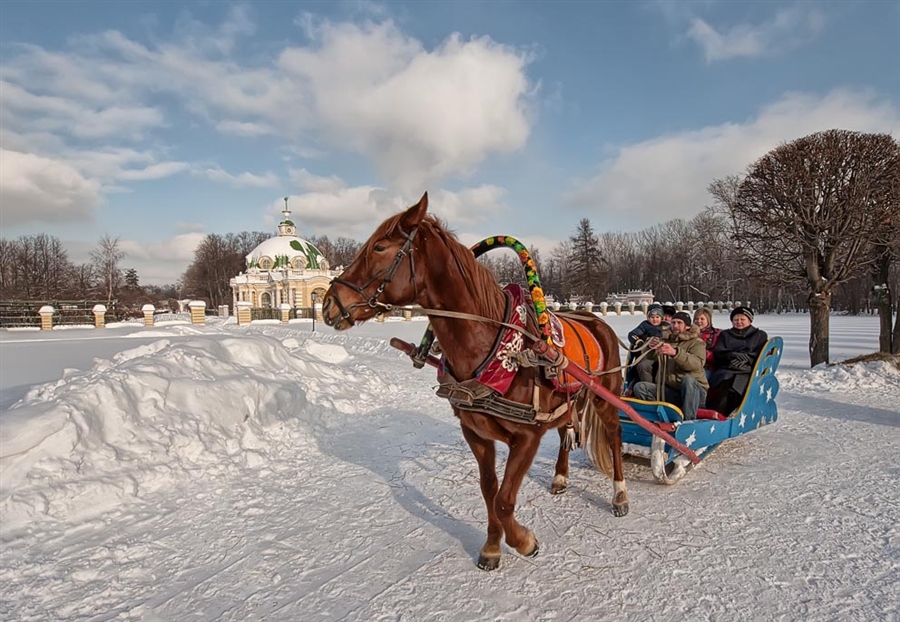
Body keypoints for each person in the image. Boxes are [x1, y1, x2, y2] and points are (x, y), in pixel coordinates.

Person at [630, 311, 709, 420]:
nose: (675, 326)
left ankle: (688, 421)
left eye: (679, 323)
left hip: (694, 392)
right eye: (673, 322)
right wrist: (650, 347)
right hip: (671, 391)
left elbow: (697, 364)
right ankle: (657, 418)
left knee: (688, 380)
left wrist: (676, 353)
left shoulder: (697, 342)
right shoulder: (665, 340)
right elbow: (651, 358)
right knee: (640, 387)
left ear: (687, 326)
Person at [706, 306, 769, 415]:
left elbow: (761, 354)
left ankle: (734, 414)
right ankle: (716, 415)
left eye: (742, 319)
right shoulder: (725, 335)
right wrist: (731, 355)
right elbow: (718, 353)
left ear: (749, 320)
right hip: (727, 369)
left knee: (737, 387)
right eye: (736, 319)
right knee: (723, 387)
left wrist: (748, 359)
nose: (739, 322)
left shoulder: (759, 335)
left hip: (747, 371)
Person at [626, 303, 665, 386]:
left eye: (657, 317)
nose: (655, 320)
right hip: (647, 354)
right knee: (643, 366)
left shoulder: (666, 326)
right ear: (648, 318)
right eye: (652, 317)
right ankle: (648, 386)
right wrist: (640, 342)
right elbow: (632, 334)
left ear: (661, 318)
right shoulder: (645, 325)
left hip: (663, 355)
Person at [693, 307, 721, 376]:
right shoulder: (688, 333)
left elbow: (718, 356)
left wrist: (703, 353)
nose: (699, 321)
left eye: (702, 319)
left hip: (707, 368)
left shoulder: (716, 334)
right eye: (696, 319)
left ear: (708, 320)